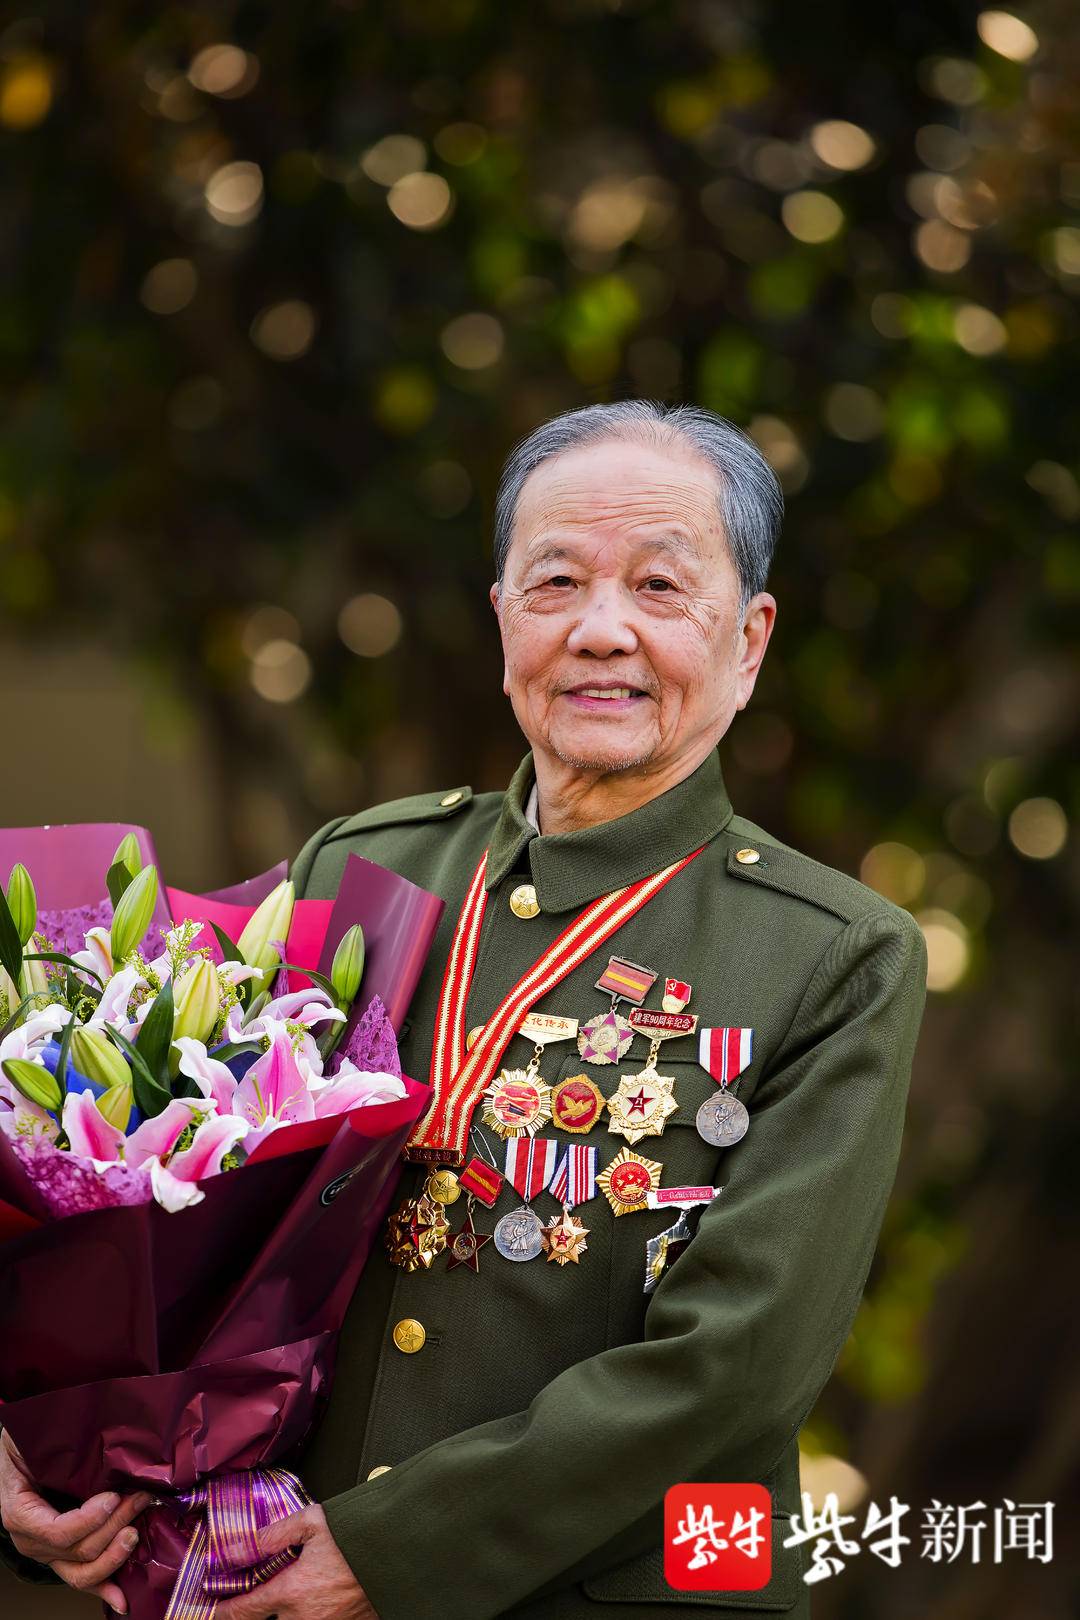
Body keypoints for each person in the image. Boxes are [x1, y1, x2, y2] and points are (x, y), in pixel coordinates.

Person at [0, 402, 928, 1620]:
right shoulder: (359, 874)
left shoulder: (834, 957)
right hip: (265, 1583)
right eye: (556, 583)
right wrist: (39, 1459)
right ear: (502, 619)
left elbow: (732, 1369)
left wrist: (395, 1553)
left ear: (749, 640)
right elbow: (144, 1206)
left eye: (660, 587)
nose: (603, 631)